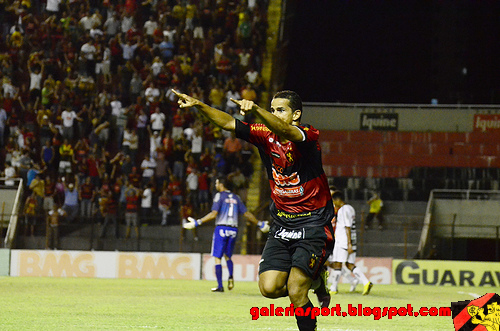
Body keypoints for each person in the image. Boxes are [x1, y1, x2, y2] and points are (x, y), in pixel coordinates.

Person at [174, 89, 334, 331]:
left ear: (296, 114)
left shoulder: (307, 135)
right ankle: (316, 279)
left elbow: (286, 131)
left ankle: (308, 293)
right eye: (272, 109)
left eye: (280, 110)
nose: (275, 114)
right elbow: (229, 122)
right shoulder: (264, 135)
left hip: (312, 223)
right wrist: (200, 105)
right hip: (282, 224)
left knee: (294, 289)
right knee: (269, 289)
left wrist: (257, 110)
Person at [183, 177, 269, 292]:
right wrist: (260, 223)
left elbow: (214, 214)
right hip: (233, 230)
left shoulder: (219, 196)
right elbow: (246, 213)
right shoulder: (236, 197)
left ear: (221, 184)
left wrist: (198, 222)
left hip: (221, 228)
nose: (215, 185)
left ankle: (220, 286)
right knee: (228, 256)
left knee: (217, 257)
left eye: (217, 182)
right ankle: (231, 276)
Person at [326, 191, 373, 295]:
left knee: (337, 264)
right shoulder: (350, 208)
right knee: (349, 264)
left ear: (338, 200)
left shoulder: (343, 210)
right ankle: (366, 282)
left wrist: (348, 244)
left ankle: (333, 288)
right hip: (351, 240)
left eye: (334, 201)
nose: (334, 203)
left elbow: (347, 227)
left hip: (343, 241)